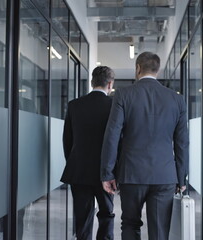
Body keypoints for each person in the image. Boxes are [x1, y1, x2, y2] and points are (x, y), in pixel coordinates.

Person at [101, 52, 189, 240]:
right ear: (158, 70)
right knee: (159, 231)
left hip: (132, 174)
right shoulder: (176, 99)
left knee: (130, 224)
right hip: (164, 175)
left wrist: (107, 173)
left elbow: (112, 135)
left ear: (138, 68)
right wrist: (181, 178)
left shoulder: (124, 94)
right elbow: (182, 143)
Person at [60, 66, 116, 240]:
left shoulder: (74, 105)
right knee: (106, 213)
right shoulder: (114, 106)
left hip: (79, 170)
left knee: (82, 217)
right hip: (105, 172)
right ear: (110, 84)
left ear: (92, 82)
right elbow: (119, 140)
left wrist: (74, 161)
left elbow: (67, 140)